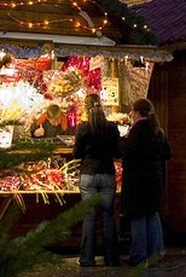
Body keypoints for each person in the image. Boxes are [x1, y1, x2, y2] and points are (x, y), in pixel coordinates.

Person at [72, 94, 122, 267]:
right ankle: (112, 258)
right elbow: (117, 153)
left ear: (86, 108)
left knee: (89, 216)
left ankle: (87, 258)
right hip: (107, 173)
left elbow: (76, 154)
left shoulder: (83, 128)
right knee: (108, 216)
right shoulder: (112, 128)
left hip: (88, 174)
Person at [121, 98, 171, 267]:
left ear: (136, 112)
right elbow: (167, 153)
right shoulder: (157, 130)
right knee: (152, 214)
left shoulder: (136, 130)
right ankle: (154, 254)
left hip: (138, 180)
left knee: (139, 217)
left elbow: (129, 153)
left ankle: (139, 256)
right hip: (155, 179)